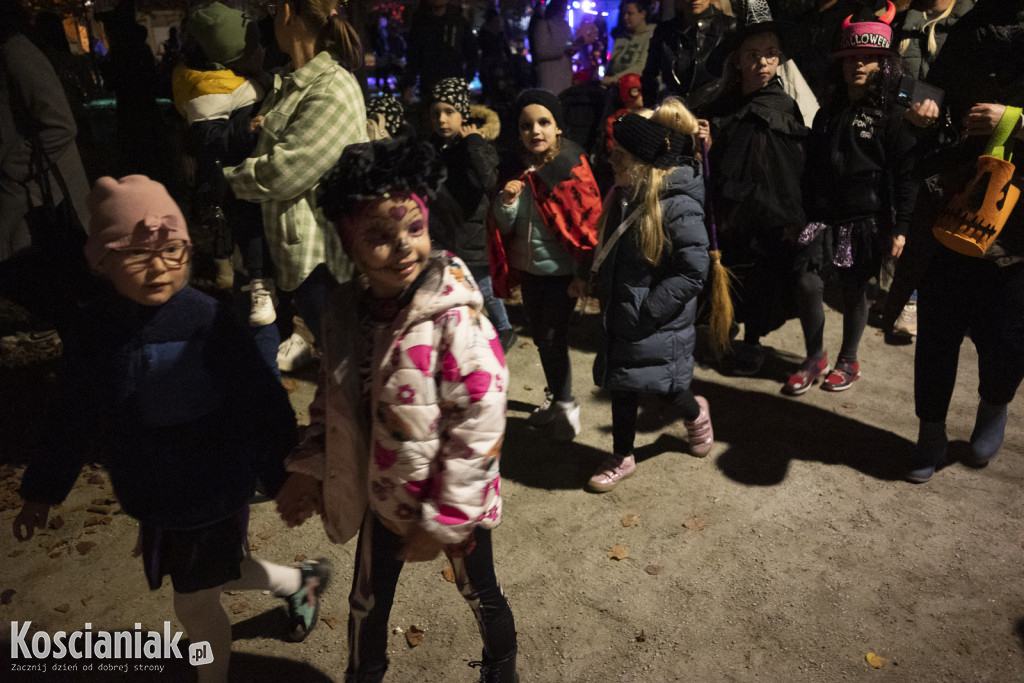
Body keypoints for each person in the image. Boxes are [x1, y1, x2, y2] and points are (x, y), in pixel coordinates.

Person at [10, 176, 328, 683]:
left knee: (195, 603)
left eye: (173, 250)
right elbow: (73, 412)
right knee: (209, 575)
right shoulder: (95, 329)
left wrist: (289, 475)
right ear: (102, 261)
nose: (159, 266)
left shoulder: (210, 321)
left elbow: (261, 405)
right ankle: (298, 581)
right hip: (155, 490)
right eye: (136, 254)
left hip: (212, 486)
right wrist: (43, 489)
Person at [276, 137, 518, 683]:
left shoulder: (454, 320)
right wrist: (311, 470)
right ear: (349, 246)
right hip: (381, 498)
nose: (404, 246)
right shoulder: (346, 316)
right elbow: (332, 404)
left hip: (448, 507)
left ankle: (502, 666)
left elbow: (479, 426)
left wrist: (446, 522)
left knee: (479, 592)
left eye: (414, 228)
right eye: (380, 237)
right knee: (365, 605)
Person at [885, 0, 1024, 482]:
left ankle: (994, 404)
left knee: (1006, 334)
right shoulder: (972, 26)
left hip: (1018, 222)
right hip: (954, 198)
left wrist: (1013, 119)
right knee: (939, 327)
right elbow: (934, 86)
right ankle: (930, 430)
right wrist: (924, 108)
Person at [224, 0, 366, 374]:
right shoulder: (291, 81)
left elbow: (283, 172)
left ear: (288, 11)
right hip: (290, 255)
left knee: (349, 370)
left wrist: (227, 178)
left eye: (272, 9)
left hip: (321, 263)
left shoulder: (333, 88)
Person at [581, 100, 712, 492]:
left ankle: (696, 413)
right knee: (622, 384)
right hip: (627, 313)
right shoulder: (625, 194)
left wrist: (648, 310)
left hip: (656, 321)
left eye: (619, 155)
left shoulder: (678, 205)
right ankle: (622, 455)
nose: (611, 161)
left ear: (641, 161)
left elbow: (692, 270)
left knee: (670, 388)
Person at [786, 2, 917, 396]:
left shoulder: (894, 116)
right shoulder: (828, 112)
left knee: (854, 292)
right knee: (807, 282)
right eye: (849, 59)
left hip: (865, 220)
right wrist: (799, 212)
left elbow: (905, 174)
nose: (857, 66)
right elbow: (812, 166)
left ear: (882, 64)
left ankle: (849, 359)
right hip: (822, 215)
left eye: (867, 59)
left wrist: (902, 228)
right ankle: (815, 357)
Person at [699, 5, 810, 376]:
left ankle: (752, 340)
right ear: (739, 60)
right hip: (727, 208)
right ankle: (723, 327)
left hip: (768, 212)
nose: (763, 62)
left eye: (771, 53)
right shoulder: (725, 100)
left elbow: (790, 165)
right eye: (753, 54)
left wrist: (791, 218)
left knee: (762, 278)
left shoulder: (782, 104)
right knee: (725, 271)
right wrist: (707, 138)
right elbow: (721, 142)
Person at [491, 89, 601, 442]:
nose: (535, 131)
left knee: (553, 337)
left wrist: (583, 273)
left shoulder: (570, 168)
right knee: (542, 338)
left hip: (561, 275)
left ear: (558, 127)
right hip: (532, 272)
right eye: (526, 125)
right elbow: (505, 227)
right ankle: (556, 397)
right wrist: (507, 203)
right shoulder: (520, 170)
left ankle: (567, 404)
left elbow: (587, 225)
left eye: (543, 122)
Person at [172, 2, 277, 334]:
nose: (263, 50)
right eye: (255, 46)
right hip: (235, 179)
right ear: (234, 57)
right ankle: (258, 286)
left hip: (254, 170)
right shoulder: (210, 91)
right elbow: (208, 139)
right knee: (250, 227)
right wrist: (245, 129)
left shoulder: (237, 76)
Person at [0, 0, 92, 343]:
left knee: (23, 266)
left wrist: (12, 168)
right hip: (27, 190)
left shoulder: (16, 52)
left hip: (36, 193)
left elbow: (59, 125)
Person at [887, 0, 974, 338]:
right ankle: (907, 296)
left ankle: (929, 301)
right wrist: (903, 114)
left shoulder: (971, 20)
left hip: (957, 143)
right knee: (907, 216)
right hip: (909, 135)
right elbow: (891, 82)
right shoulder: (903, 22)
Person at [426, 77, 518, 352]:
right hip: (443, 228)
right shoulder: (433, 147)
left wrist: (475, 142)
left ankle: (504, 328)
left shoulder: (476, 144)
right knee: (446, 282)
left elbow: (491, 180)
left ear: (463, 113)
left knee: (483, 284)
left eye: (450, 112)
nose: (442, 119)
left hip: (471, 228)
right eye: (436, 113)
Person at [640, 0, 736, 108]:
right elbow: (650, 76)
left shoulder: (729, 28)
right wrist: (654, 112)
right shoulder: (665, 31)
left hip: (713, 112)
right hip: (673, 113)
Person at [401, 0, 479, 103]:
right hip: (429, 85)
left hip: (455, 85)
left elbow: (472, 52)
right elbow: (413, 56)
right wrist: (408, 84)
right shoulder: (420, 23)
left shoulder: (459, 21)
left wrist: (467, 78)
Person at [603, 0, 655, 85]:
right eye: (624, 13)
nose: (625, 17)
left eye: (630, 13)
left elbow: (641, 66)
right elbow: (611, 66)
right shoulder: (621, 38)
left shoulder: (652, 36)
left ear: (642, 14)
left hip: (637, 90)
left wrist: (614, 79)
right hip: (616, 90)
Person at [529, 0, 574, 96]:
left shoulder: (565, 26)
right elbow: (541, 51)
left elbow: (570, 42)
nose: (564, 10)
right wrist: (563, 49)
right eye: (562, 6)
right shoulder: (543, 25)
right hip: (550, 76)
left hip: (565, 75)